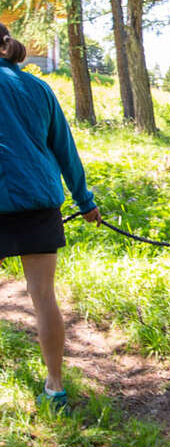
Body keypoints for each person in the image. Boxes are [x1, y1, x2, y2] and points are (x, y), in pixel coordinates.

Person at [0, 23, 101, 410]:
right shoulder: (40, 88)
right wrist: (84, 200)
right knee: (44, 297)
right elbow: (65, 148)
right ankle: (55, 387)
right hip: (41, 203)